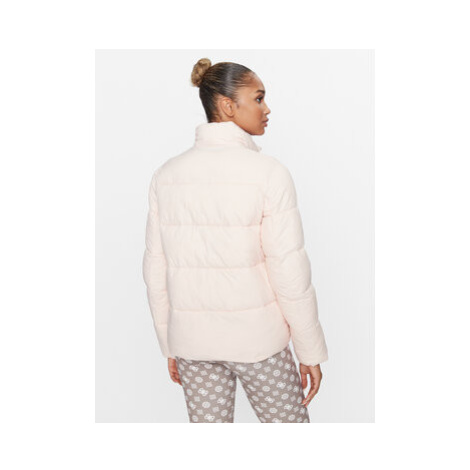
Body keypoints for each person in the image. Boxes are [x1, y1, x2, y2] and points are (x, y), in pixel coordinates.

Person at [142, 58, 328, 423]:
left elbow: (155, 271)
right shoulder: (269, 173)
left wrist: (170, 345)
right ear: (228, 106)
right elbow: (289, 271)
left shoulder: (166, 175)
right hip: (259, 344)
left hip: (193, 345)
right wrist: (309, 351)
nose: (266, 108)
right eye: (258, 98)